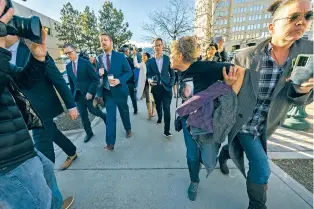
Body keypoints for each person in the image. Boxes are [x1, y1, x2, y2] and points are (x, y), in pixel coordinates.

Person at [0, 3, 73, 208]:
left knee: (47, 169)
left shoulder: (18, 48)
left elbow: (22, 82)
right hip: (7, 158)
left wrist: (38, 59)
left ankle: (56, 204)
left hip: (21, 141)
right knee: (37, 200)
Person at [170, 36, 245, 202]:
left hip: (207, 125)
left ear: (180, 56)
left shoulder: (205, 67)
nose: (170, 58)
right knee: (191, 156)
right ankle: (194, 181)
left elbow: (240, 71)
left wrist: (230, 92)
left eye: (172, 54)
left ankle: (220, 156)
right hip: (188, 122)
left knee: (208, 159)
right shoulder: (181, 71)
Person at [5, 35, 79, 171]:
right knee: (53, 132)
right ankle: (71, 151)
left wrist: (71, 105)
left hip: (41, 111)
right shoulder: (3, 55)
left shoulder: (33, 48)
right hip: (19, 113)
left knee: (44, 156)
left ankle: (51, 192)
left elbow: (57, 78)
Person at [63, 43, 107, 143]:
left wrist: (90, 92)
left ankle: (105, 117)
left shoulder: (85, 63)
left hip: (89, 95)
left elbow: (95, 79)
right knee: (83, 116)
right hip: (78, 97)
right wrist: (72, 98)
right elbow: (72, 83)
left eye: (70, 52)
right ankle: (89, 133)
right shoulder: (68, 66)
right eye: (66, 53)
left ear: (75, 49)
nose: (68, 55)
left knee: (94, 111)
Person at [96, 33, 133, 151]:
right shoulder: (99, 58)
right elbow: (97, 77)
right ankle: (110, 143)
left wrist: (119, 80)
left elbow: (129, 72)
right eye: (101, 41)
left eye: (105, 40)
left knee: (124, 112)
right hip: (108, 93)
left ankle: (128, 128)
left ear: (111, 42)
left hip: (120, 90)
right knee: (110, 117)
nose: (103, 42)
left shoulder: (120, 56)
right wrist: (99, 74)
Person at [146, 38, 175, 138]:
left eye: (159, 45)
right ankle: (159, 117)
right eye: (155, 46)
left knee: (166, 108)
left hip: (167, 88)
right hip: (156, 88)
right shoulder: (149, 61)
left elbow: (172, 74)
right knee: (158, 106)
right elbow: (148, 75)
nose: (157, 47)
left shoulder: (167, 58)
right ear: (153, 48)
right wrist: (149, 80)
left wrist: (171, 83)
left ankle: (167, 130)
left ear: (162, 45)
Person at [133, 49, 156, 120]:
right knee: (148, 98)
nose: (144, 57)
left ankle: (153, 110)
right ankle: (149, 113)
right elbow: (136, 64)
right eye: (143, 56)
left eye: (145, 55)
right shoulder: (142, 64)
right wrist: (134, 55)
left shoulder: (151, 63)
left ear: (148, 57)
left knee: (153, 98)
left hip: (151, 82)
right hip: (145, 83)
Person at [122, 46, 138, 114]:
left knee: (124, 98)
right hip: (129, 81)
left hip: (123, 81)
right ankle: (135, 109)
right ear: (125, 52)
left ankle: (126, 111)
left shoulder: (120, 59)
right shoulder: (127, 59)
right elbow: (133, 66)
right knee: (132, 96)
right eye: (128, 51)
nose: (129, 52)